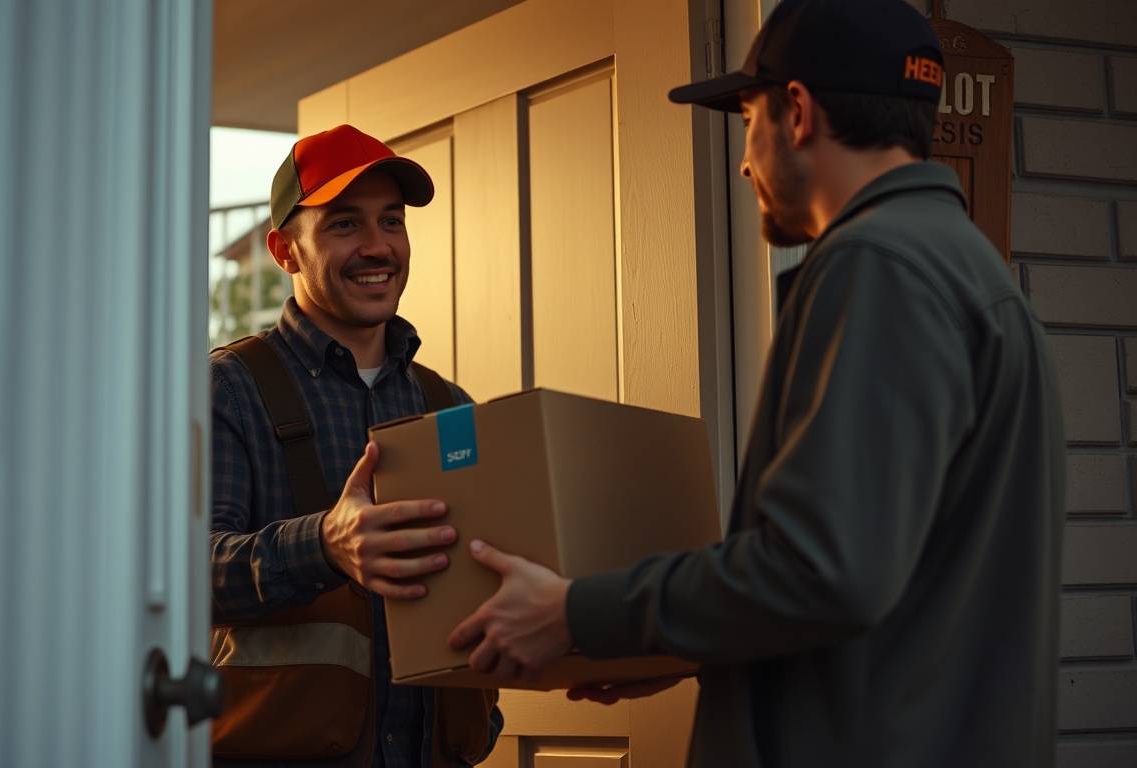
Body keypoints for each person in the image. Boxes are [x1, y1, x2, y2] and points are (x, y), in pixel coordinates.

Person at [445, 0, 1065, 765]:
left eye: (746, 119)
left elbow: (822, 570)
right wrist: (695, 650)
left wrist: (576, 612)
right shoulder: (973, 274)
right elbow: (903, 585)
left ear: (797, 112)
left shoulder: (877, 267)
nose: (743, 159)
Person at [209, 124, 502, 768]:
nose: (378, 247)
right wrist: (324, 545)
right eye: (344, 225)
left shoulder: (450, 406)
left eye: (391, 222)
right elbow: (179, 576)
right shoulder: (225, 390)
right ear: (285, 251)